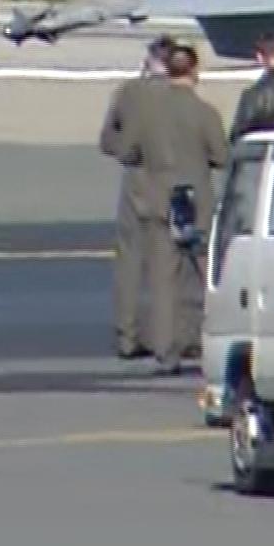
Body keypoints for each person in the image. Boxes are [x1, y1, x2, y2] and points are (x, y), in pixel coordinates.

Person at [116, 43, 228, 375]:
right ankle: (211, 340)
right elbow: (222, 156)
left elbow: (126, 151)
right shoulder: (205, 112)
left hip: (159, 199)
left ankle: (166, 351)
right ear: (194, 72)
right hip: (196, 199)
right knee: (208, 275)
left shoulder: (147, 112)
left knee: (163, 279)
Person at [97, 33, 175, 360]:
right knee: (167, 266)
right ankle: (166, 339)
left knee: (130, 262)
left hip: (137, 181)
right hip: (172, 181)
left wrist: (128, 153)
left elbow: (107, 140)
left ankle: (127, 335)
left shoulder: (128, 92)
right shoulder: (180, 96)